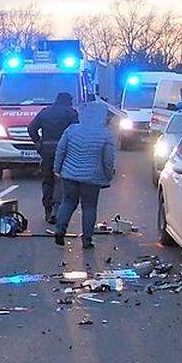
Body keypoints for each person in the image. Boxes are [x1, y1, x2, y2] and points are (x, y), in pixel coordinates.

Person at [52, 101, 117, 249]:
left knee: (67, 203)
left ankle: (60, 231)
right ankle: (87, 240)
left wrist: (57, 169)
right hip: (92, 178)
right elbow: (108, 160)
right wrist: (108, 176)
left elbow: (61, 151)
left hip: (69, 175)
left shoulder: (71, 130)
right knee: (89, 207)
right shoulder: (105, 134)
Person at [27, 92, 80, 224]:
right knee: (61, 180)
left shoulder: (45, 112)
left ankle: (47, 210)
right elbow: (76, 131)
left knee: (48, 180)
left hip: (47, 150)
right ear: (68, 101)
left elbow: (31, 128)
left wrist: (38, 142)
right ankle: (57, 210)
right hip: (65, 151)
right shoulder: (71, 113)